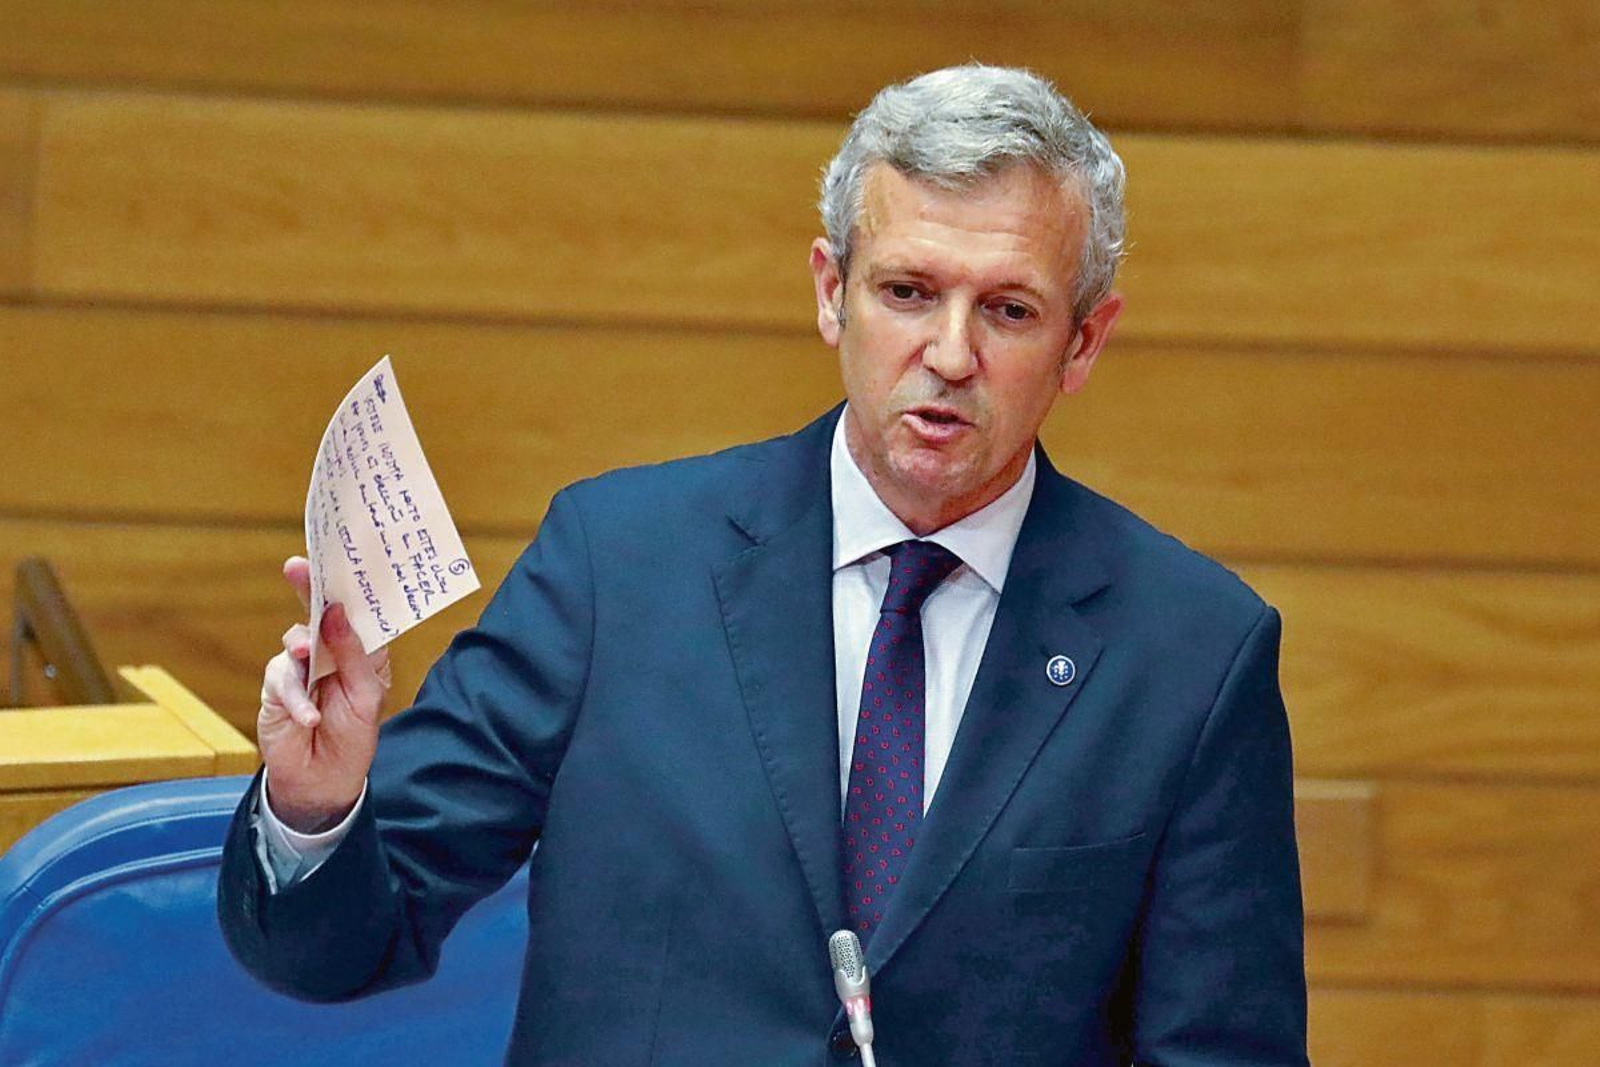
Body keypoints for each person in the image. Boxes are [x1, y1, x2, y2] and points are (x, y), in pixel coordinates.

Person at [219, 64, 1309, 1065]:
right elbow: (341, 943)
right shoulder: (618, 566)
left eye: (1009, 310)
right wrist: (315, 805)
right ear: (832, 291)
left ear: (1083, 341)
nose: (949, 354)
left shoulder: (1190, 654)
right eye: (907, 292)